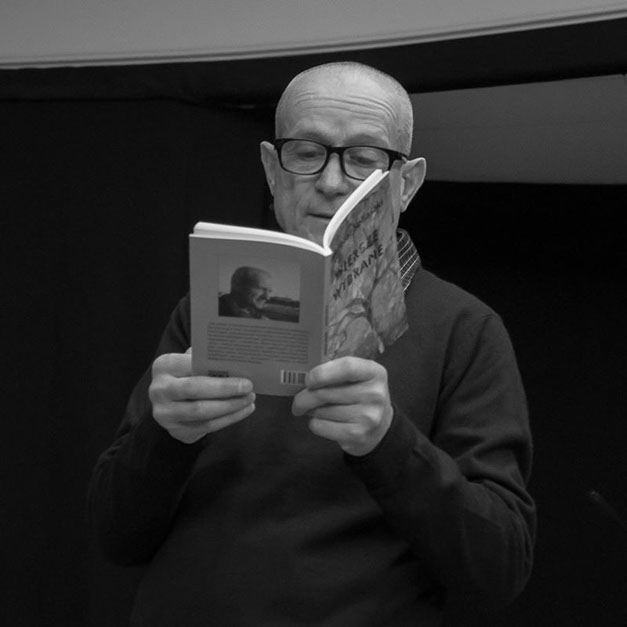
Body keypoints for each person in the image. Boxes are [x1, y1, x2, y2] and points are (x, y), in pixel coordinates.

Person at [89, 61, 535, 626]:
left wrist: (388, 442)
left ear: (406, 183)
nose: (331, 182)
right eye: (305, 153)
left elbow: (499, 567)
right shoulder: (207, 307)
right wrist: (164, 436)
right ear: (271, 170)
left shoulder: (465, 328)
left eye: (364, 158)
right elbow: (114, 536)